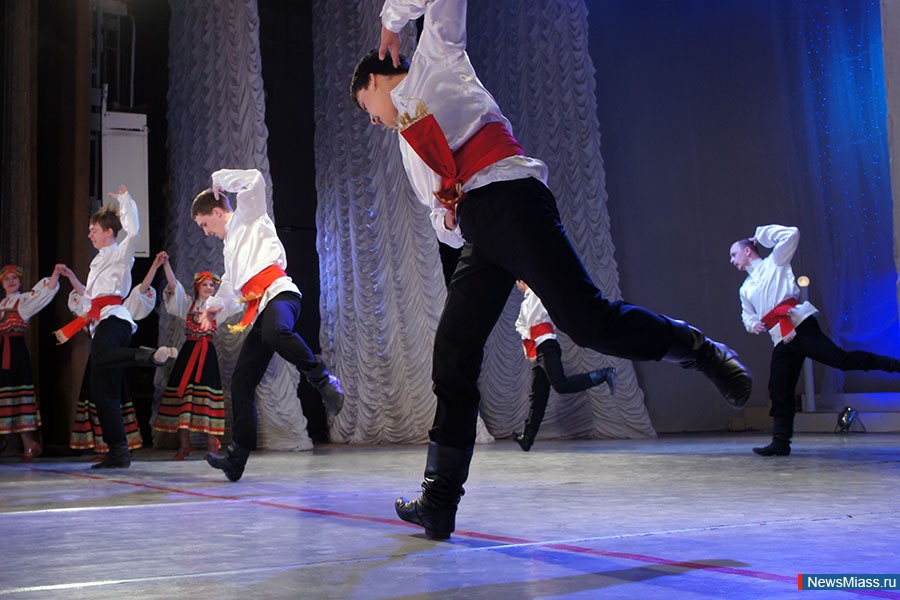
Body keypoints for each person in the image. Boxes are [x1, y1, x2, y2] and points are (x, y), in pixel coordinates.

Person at [351, 0, 752, 539]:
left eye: (366, 105)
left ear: (376, 77)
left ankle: (699, 350)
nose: (372, 119)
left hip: (511, 199)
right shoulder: (407, 141)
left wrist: (391, 21)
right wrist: (449, 215)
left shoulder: (437, 58)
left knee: (589, 322)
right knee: (452, 351)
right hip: (482, 228)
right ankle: (439, 501)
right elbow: (439, 216)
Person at [192, 168, 344, 482]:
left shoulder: (248, 216)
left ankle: (323, 379)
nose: (205, 233)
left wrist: (220, 179)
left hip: (281, 294)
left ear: (217, 212)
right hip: (260, 309)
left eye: (204, 224)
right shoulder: (230, 248)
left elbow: (254, 180)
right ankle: (236, 458)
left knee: (276, 332)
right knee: (241, 382)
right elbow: (231, 290)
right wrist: (214, 308)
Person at [730, 224, 900, 457]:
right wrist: (753, 324)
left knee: (840, 360)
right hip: (781, 337)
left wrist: (760, 235)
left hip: (800, 326)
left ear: (748, 251)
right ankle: (780, 442)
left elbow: (792, 233)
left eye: (734, 254)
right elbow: (747, 314)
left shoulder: (775, 262)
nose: (732, 260)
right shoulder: (745, 288)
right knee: (779, 388)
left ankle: (894, 365)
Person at [55, 185, 178, 469]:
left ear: (109, 232)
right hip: (101, 322)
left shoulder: (119, 254)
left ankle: (150, 356)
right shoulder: (97, 261)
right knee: (103, 394)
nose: (90, 234)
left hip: (115, 319)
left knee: (99, 358)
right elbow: (90, 298)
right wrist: (85, 316)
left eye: (94, 230)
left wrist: (125, 202)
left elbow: (133, 233)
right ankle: (119, 452)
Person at [67, 263, 159, 461]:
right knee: (101, 397)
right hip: (103, 349)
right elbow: (84, 294)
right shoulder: (94, 304)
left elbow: (141, 287)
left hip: (112, 347)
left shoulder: (117, 306)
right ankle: (116, 450)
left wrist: (154, 266)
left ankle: (146, 355)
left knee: (109, 394)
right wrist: (70, 275)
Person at [512, 281, 616, 451]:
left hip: (547, 346)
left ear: (523, 282)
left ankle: (603, 374)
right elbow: (523, 326)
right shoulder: (527, 302)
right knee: (537, 396)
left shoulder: (538, 294)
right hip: (539, 349)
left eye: (518, 283)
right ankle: (527, 438)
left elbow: (538, 320)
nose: (517, 287)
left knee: (561, 384)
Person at [153, 250, 229, 460]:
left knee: (208, 399)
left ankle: (212, 446)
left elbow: (235, 301)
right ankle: (184, 446)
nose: (209, 288)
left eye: (211, 285)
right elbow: (174, 286)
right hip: (188, 354)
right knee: (184, 398)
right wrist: (166, 264)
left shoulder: (217, 308)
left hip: (207, 356)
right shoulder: (188, 304)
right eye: (205, 285)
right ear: (197, 287)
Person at [0, 264, 63, 461]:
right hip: (2, 351)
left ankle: (29, 444)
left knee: (18, 396)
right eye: (6, 278)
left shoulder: (24, 300)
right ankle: (27, 444)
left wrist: (55, 273)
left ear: (20, 281)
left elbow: (46, 293)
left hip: (15, 353)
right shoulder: (2, 304)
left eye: (14, 278)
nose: (11, 282)